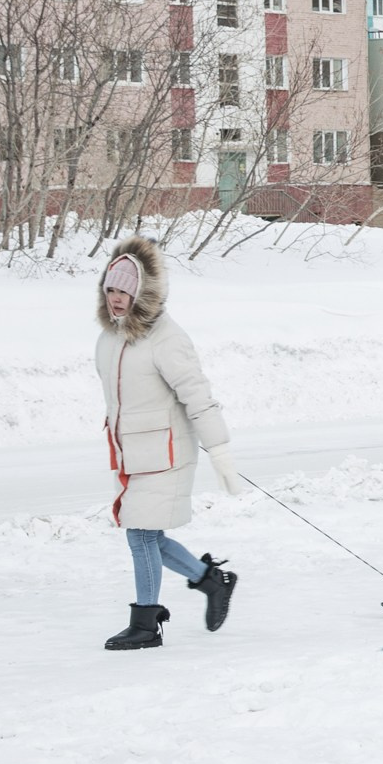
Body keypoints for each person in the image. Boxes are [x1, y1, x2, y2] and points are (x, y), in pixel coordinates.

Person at [94, 237, 242, 651]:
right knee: (150, 538)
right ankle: (211, 581)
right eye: (110, 290)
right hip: (134, 456)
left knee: (139, 536)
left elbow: (198, 395)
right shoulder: (110, 338)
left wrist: (221, 451)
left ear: (141, 293)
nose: (116, 299)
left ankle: (146, 623)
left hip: (168, 456)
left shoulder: (167, 338)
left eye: (124, 291)